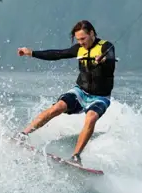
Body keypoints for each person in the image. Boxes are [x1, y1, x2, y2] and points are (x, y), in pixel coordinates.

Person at [16, 20, 117, 164]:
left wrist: (104, 59)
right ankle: (23, 134)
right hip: (80, 92)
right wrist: (31, 53)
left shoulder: (106, 46)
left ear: (92, 34)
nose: (81, 42)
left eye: (83, 38)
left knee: (91, 117)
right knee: (57, 107)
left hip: (100, 97)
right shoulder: (78, 49)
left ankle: (76, 156)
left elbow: (112, 59)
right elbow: (57, 54)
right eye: (78, 40)